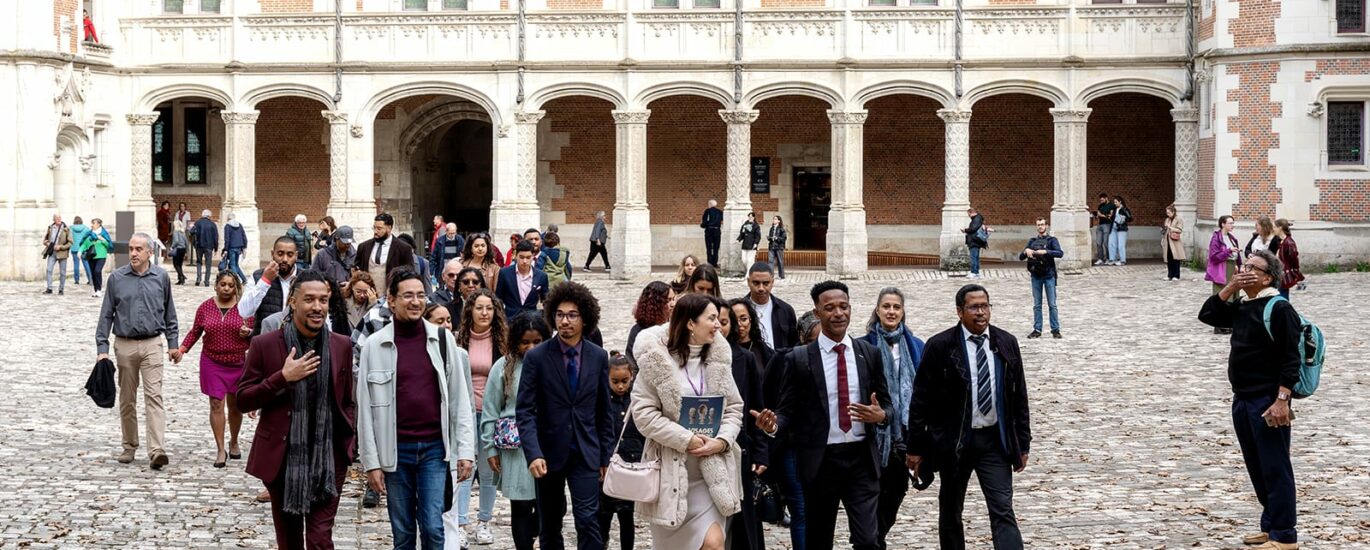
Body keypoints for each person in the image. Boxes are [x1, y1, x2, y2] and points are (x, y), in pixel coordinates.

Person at [750, 281, 892, 550]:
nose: (838, 313)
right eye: (830, 308)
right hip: (820, 461)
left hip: (861, 459)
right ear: (817, 312)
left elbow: (888, 406)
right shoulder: (800, 359)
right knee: (818, 539)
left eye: (843, 307)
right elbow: (786, 412)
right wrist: (772, 425)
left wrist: (881, 415)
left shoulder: (868, 354)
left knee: (868, 539)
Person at [236, 270, 356, 550]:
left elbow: (347, 399)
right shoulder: (264, 345)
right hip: (282, 460)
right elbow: (243, 400)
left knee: (319, 540)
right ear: (293, 301)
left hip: (329, 460)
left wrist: (348, 443)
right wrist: (282, 378)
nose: (317, 307)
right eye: (309, 300)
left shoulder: (341, 345)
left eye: (323, 300)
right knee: (289, 543)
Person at [357, 270, 476, 550]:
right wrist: (371, 463)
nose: (415, 301)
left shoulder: (443, 340)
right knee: (403, 533)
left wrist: (466, 452)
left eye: (421, 295)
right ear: (391, 300)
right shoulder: (375, 345)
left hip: (435, 449)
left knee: (434, 527)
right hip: (395, 451)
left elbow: (460, 401)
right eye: (408, 295)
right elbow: (365, 411)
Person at [906, 284, 1031, 550]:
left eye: (985, 306)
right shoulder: (940, 345)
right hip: (955, 442)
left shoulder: (1005, 342)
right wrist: (916, 446)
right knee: (951, 510)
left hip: (994, 442)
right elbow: (920, 399)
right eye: (974, 307)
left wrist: (1023, 443)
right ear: (959, 311)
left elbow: (1019, 395)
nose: (981, 313)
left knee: (1002, 508)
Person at [1198, 249, 1302, 550]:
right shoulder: (1245, 303)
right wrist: (1230, 287)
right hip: (1242, 399)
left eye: (1252, 268)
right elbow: (1208, 315)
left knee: (1275, 466)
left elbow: (1291, 360)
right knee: (1257, 466)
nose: (1244, 270)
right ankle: (1270, 526)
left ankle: (1285, 535)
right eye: (1244, 265)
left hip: (1267, 401)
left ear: (1268, 276)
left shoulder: (1279, 309)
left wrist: (1282, 399)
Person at [630, 293, 743, 550]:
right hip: (671, 472)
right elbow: (644, 415)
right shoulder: (655, 360)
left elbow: (734, 408)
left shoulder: (719, 360)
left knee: (714, 543)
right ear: (691, 323)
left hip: (711, 472)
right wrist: (686, 439)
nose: (718, 324)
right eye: (712, 318)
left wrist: (722, 441)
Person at [516, 281, 614, 550]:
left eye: (572, 315)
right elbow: (524, 410)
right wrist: (533, 452)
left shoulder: (597, 357)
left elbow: (604, 411)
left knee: (588, 520)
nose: (565, 321)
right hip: (548, 453)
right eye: (560, 314)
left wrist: (606, 455)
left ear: (585, 318)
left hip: (586, 452)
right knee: (549, 524)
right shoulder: (537, 357)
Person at [95, 233, 179, 469]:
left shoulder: (161, 277)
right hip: (125, 344)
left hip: (153, 343)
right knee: (127, 399)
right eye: (131, 248)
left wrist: (173, 343)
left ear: (150, 252)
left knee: (154, 396)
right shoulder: (117, 278)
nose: (133, 253)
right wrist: (102, 347)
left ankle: (157, 450)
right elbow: (106, 315)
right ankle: (129, 445)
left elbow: (169, 311)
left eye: (139, 249)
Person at [858, 288, 925, 550]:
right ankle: (869, 542)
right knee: (871, 496)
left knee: (895, 494)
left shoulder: (915, 346)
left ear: (902, 311)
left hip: (903, 437)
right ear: (877, 310)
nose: (891, 311)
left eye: (896, 307)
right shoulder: (863, 345)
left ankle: (877, 538)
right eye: (886, 306)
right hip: (873, 437)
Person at [482, 312, 551, 550]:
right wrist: (490, 447)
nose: (531, 347)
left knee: (553, 503)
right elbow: (491, 408)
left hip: (548, 441)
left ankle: (536, 532)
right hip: (516, 446)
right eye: (525, 342)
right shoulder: (504, 367)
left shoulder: (553, 364)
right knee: (521, 505)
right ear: (515, 342)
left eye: (537, 341)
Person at [172, 271, 254, 468]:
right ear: (216, 286)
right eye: (223, 284)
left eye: (230, 285)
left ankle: (234, 441)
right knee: (216, 404)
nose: (226, 288)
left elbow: (256, 335)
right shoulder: (205, 307)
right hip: (212, 361)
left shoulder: (245, 309)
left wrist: (248, 334)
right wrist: (182, 349)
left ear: (236, 288)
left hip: (237, 362)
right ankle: (220, 449)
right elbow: (195, 331)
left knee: (235, 405)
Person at [451, 288, 508, 547]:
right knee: (464, 468)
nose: (484, 313)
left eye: (489, 308)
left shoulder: (502, 342)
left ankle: (484, 521)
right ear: (470, 311)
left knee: (488, 471)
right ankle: (461, 523)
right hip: (465, 411)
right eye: (479, 307)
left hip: (491, 414)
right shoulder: (458, 340)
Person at [713, 295, 768, 550]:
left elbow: (756, 409)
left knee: (742, 522)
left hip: (739, 449)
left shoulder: (744, 360)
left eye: (724, 322)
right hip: (706, 447)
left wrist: (761, 453)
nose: (718, 327)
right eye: (713, 320)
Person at [598, 354, 643, 550]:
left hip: (631, 464)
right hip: (607, 466)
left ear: (632, 376)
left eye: (624, 381)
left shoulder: (637, 400)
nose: (620, 386)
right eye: (615, 381)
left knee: (627, 516)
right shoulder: (602, 400)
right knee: (603, 515)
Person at [240, 237, 302, 337]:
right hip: (266, 341)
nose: (285, 259)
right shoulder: (258, 276)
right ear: (272, 254)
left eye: (290, 255)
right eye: (280, 254)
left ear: (296, 256)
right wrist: (265, 281)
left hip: (297, 341)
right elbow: (244, 312)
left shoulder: (306, 278)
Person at [1020, 217, 1064, 339]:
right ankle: (1037, 329)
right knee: (1037, 305)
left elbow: (1060, 253)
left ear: (1046, 226)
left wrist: (1045, 252)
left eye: (1042, 224)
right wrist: (1026, 251)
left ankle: (1055, 329)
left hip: (1049, 275)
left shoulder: (1052, 240)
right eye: (1038, 225)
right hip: (1036, 276)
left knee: (1052, 304)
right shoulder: (1032, 241)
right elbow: (1020, 257)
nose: (1040, 227)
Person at [355, 213, 416, 295]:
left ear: (389, 228)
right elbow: (356, 269)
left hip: (391, 296)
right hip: (366, 297)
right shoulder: (364, 247)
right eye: (374, 228)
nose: (375, 232)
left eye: (379, 228)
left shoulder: (403, 248)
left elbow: (409, 270)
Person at [744, 262, 800, 351]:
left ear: (772, 282)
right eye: (756, 283)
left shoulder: (786, 310)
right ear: (748, 282)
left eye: (766, 283)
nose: (761, 288)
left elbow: (794, 343)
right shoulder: (739, 310)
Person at [625, 281, 674, 372]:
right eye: (668, 301)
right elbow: (633, 366)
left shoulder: (674, 326)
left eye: (673, 299)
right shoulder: (637, 331)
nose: (673, 304)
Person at [1207, 215, 1244, 334]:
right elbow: (1214, 256)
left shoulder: (1232, 238)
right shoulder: (1216, 238)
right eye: (1230, 223)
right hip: (1222, 268)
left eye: (1233, 223)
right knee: (1222, 295)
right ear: (1223, 224)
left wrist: (1240, 264)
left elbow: (1236, 255)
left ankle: (1230, 323)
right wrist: (1228, 251)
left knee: (1233, 296)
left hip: (1233, 267)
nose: (1232, 225)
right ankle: (1218, 324)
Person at [495, 239, 548, 322]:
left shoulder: (541, 276)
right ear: (516, 255)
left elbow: (546, 300)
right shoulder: (504, 273)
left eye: (528, 257)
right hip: (509, 320)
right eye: (521, 257)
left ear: (533, 256)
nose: (525, 261)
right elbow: (498, 298)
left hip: (531, 322)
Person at [727, 298, 774, 385]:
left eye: (743, 319)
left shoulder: (766, 353)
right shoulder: (724, 350)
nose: (739, 324)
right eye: (734, 320)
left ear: (751, 319)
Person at [80, 218, 113, 297]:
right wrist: (79, 251)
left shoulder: (104, 233)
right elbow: (84, 243)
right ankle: (96, 290)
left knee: (97, 271)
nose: (92, 225)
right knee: (93, 273)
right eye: (91, 223)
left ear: (98, 224)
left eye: (93, 223)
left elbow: (108, 245)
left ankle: (99, 290)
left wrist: (102, 240)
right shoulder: (89, 233)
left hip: (101, 256)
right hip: (91, 256)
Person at [42, 213, 72, 295]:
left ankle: (61, 289)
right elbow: (45, 240)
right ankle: (49, 288)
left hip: (62, 253)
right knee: (49, 269)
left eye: (59, 218)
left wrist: (61, 247)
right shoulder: (50, 228)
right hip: (52, 252)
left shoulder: (66, 229)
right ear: (54, 220)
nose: (59, 219)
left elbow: (70, 243)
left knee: (62, 272)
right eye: (57, 218)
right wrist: (47, 243)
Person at [1273, 219, 1303, 299]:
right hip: (1279, 274)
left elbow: (1293, 260)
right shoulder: (1282, 241)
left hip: (1284, 274)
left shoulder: (1289, 243)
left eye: (1275, 227)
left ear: (1280, 228)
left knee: (1282, 296)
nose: (1273, 229)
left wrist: (1296, 274)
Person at [192, 210, 219, 286]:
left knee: (199, 262)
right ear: (209, 216)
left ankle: (198, 278)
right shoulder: (212, 224)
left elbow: (191, 232)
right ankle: (206, 281)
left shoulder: (197, 223)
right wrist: (216, 248)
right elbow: (215, 237)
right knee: (208, 264)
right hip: (209, 246)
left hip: (199, 245)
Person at [1162, 204, 1187, 281]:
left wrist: (1170, 227)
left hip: (1175, 242)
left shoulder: (1178, 219)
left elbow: (1179, 230)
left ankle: (1176, 275)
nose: (1168, 214)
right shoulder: (1167, 219)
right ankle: (1170, 275)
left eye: (1169, 212)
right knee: (1169, 258)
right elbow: (1165, 230)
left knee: (1176, 258)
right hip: (1167, 241)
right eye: (1167, 213)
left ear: (1173, 212)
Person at [1106, 196, 1133, 266]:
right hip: (1113, 228)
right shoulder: (1115, 209)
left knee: (1121, 245)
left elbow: (1130, 218)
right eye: (1114, 202)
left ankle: (1122, 260)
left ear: (1120, 201)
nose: (1114, 203)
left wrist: (1123, 218)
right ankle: (1112, 259)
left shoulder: (1124, 209)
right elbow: (1112, 219)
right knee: (1111, 243)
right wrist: (1111, 216)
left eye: (1116, 202)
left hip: (1121, 228)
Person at [962, 207, 989, 279]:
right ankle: (976, 272)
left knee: (974, 257)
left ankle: (974, 272)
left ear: (971, 213)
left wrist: (965, 230)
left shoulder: (976, 219)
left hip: (974, 240)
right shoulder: (978, 218)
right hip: (976, 240)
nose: (968, 216)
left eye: (969, 214)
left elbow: (973, 229)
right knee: (975, 257)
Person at [223, 213, 248, 282]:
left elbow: (227, 239)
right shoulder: (239, 225)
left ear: (228, 218)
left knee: (232, 264)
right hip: (239, 247)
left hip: (231, 247)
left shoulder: (227, 226)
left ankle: (235, 280)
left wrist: (225, 249)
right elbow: (244, 236)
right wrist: (244, 247)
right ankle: (244, 279)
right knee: (236, 264)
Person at [1092, 192, 1114, 266]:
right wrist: (1096, 216)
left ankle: (1108, 258)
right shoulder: (1100, 206)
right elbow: (1098, 216)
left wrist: (1101, 215)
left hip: (1107, 225)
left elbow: (1110, 217)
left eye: (1102, 200)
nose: (1101, 202)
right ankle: (1100, 259)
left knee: (1106, 243)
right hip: (1100, 225)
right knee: (1098, 243)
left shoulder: (1111, 205)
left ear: (1106, 198)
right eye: (1100, 200)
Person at [700, 199, 724, 267]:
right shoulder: (720, 212)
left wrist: (703, 225)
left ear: (710, 204)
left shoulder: (707, 211)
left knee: (709, 247)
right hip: (717, 231)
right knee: (716, 248)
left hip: (709, 231)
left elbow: (705, 221)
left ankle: (710, 263)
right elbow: (722, 220)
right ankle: (715, 263)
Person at [70, 216, 92, 286]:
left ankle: (76, 280)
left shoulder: (71, 228)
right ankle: (90, 279)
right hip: (83, 248)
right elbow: (89, 237)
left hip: (74, 248)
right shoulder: (86, 228)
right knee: (86, 264)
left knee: (76, 265)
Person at [167, 220, 189, 285]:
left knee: (176, 264)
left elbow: (176, 241)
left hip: (178, 249)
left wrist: (172, 246)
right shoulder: (183, 232)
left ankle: (182, 276)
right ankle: (181, 280)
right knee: (180, 264)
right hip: (183, 249)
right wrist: (187, 250)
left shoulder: (176, 232)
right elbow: (186, 242)